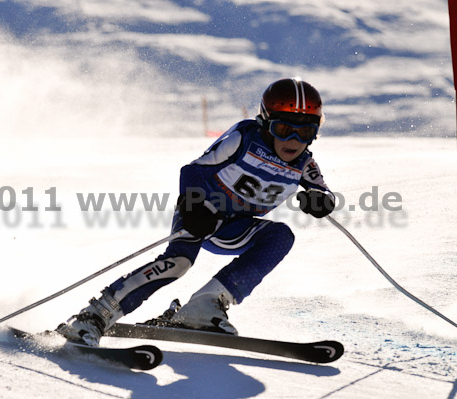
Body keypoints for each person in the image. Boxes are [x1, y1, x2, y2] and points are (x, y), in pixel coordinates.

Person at [57, 77, 336, 346]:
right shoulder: (243, 138)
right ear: (265, 122)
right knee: (179, 262)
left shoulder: (304, 163)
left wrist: (320, 200)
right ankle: (94, 317)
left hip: (233, 228)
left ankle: (206, 305)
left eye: (306, 132)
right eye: (284, 130)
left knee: (280, 236)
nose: (295, 140)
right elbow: (192, 170)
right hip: (201, 212)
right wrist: (195, 206)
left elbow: (323, 192)